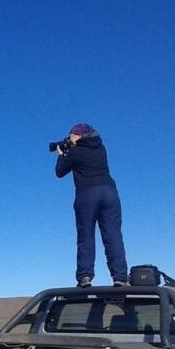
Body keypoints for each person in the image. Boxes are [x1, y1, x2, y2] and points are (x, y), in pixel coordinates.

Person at [53, 123, 128, 288]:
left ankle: (85, 276)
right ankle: (120, 277)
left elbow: (59, 172)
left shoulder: (75, 152)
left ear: (78, 135)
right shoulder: (101, 148)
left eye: (71, 134)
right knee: (113, 235)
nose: (69, 137)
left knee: (86, 235)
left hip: (87, 194)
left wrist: (61, 154)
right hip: (109, 193)